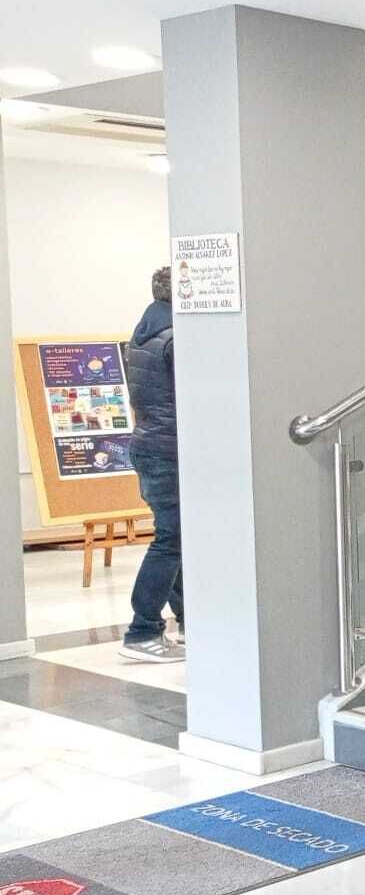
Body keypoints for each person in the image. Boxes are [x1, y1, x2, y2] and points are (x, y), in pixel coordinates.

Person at [124, 265, 185, 662]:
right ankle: (142, 630)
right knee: (171, 540)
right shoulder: (175, 339)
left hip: (148, 446)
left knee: (179, 538)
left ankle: (190, 619)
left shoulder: (144, 333)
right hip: (169, 452)